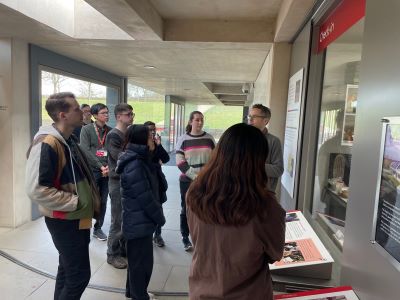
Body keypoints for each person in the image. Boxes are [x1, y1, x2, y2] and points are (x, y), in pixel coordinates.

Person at [186, 123, 286, 300]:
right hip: (249, 294)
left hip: (201, 289)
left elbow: (196, 237)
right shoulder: (266, 205)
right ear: (258, 159)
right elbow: (275, 253)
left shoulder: (194, 192)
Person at [25, 92, 100, 300]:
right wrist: (75, 203)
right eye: (77, 109)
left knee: (67, 270)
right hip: (65, 219)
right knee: (79, 276)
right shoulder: (47, 143)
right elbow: (36, 189)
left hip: (75, 218)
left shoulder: (69, 140)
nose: (83, 111)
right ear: (62, 115)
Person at [116, 125, 165, 300]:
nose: (153, 138)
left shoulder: (141, 158)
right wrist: (159, 217)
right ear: (141, 140)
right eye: (150, 136)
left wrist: (153, 152)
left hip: (140, 220)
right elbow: (145, 197)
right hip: (138, 221)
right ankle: (139, 296)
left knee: (138, 262)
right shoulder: (135, 163)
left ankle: (134, 293)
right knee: (141, 264)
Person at [175, 111, 215, 251]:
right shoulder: (183, 139)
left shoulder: (209, 138)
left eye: (201, 120)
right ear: (190, 121)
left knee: (205, 207)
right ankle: (185, 238)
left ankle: (202, 237)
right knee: (186, 208)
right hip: (187, 181)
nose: (199, 122)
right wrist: (196, 176)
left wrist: (206, 176)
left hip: (206, 181)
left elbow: (215, 160)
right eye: (197, 120)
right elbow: (180, 162)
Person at [104, 103, 134, 269]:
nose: (131, 116)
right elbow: (121, 157)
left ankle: (122, 250)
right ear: (119, 117)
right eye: (128, 114)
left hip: (127, 182)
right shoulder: (113, 135)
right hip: (117, 183)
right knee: (117, 220)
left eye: (132, 113)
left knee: (126, 219)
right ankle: (112, 254)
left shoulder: (128, 134)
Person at [80, 103, 112, 241]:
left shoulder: (110, 131)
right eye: (103, 113)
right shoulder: (86, 130)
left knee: (103, 200)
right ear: (94, 115)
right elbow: (85, 150)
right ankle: (84, 227)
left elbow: (112, 151)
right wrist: (100, 166)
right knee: (89, 199)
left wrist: (108, 167)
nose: (107, 115)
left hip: (106, 171)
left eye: (107, 112)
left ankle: (98, 228)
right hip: (92, 170)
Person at [144, 121, 170, 247]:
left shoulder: (156, 144)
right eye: (149, 129)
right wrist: (156, 164)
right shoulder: (141, 145)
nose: (152, 131)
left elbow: (165, 159)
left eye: (154, 129)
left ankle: (158, 235)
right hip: (146, 181)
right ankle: (147, 234)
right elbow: (145, 163)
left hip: (157, 181)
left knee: (159, 207)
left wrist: (159, 146)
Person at [248, 104, 284, 192]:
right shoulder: (240, 139)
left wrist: (253, 165)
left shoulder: (274, 141)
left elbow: (278, 170)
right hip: (241, 192)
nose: (250, 119)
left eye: (255, 116)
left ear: (266, 121)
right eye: (249, 116)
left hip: (263, 195)